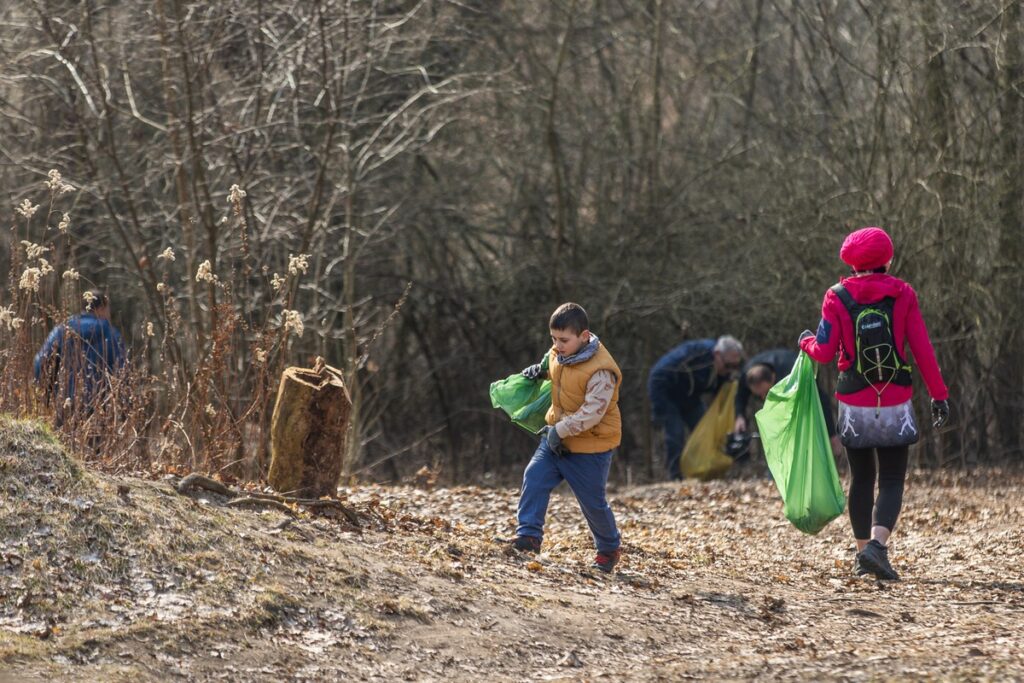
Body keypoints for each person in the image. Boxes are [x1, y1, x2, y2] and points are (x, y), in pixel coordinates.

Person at [799, 227, 949, 581]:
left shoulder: (835, 296)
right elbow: (922, 348)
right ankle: (877, 548)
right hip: (895, 399)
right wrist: (939, 394)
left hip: (853, 402)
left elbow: (822, 350)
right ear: (887, 258)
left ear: (849, 261)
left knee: (862, 477)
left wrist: (805, 341)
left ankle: (861, 553)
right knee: (893, 477)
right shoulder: (903, 294)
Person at [510, 302, 624, 573]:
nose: (557, 345)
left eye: (563, 340)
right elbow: (554, 366)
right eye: (553, 339)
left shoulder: (601, 371)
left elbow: (592, 413)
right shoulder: (557, 354)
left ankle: (608, 549)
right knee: (534, 477)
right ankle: (528, 537)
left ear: (584, 337)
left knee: (592, 502)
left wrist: (558, 431)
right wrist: (538, 369)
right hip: (555, 438)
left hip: (590, 445)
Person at [647, 335, 744, 480]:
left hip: (689, 397)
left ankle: (703, 471)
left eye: (735, 366)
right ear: (717, 355)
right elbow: (657, 376)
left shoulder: (720, 367)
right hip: (667, 393)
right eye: (728, 366)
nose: (730, 370)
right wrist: (659, 409)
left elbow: (717, 387)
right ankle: (675, 477)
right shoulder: (695, 354)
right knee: (675, 433)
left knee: (704, 430)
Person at [34, 290, 127, 423]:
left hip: (64, 404)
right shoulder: (112, 335)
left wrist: (49, 395)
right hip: (101, 408)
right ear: (101, 309)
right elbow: (123, 373)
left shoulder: (62, 330)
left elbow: (40, 364)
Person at [733, 348, 841, 456]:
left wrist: (832, 435)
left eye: (765, 393)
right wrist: (739, 416)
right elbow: (740, 396)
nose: (763, 398)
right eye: (759, 395)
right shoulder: (747, 376)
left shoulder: (796, 375)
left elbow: (821, 399)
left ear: (773, 380)